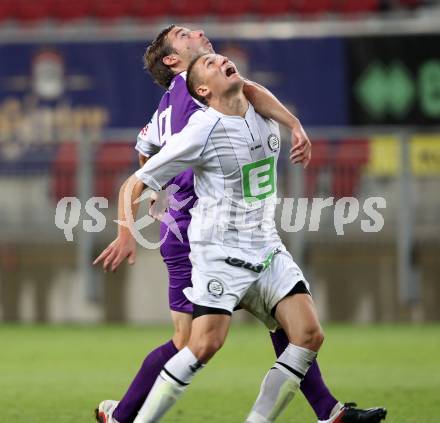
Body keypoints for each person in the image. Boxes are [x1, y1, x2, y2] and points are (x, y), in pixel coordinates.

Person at [94, 26, 386, 423]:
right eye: (184, 35)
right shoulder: (192, 91)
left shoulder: (181, 98)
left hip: (237, 230)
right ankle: (124, 416)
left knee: (291, 325)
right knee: (191, 342)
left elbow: (147, 148)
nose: (198, 32)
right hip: (196, 228)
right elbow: (151, 166)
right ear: (173, 61)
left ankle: (327, 410)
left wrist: (292, 124)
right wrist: (154, 201)